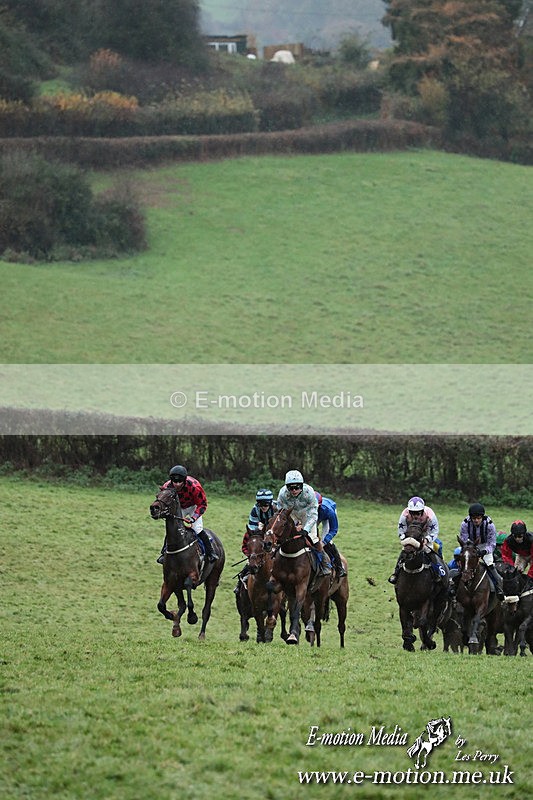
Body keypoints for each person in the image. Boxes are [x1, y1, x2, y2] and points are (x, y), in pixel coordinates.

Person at [157, 464, 217, 564]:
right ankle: (164, 553)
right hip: (179, 507)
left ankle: (211, 552)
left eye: (179, 481)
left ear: (184, 480)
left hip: (193, 506)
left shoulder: (195, 486)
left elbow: (202, 504)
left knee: (197, 529)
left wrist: (194, 518)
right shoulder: (167, 487)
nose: (176, 484)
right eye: (174, 481)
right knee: (172, 528)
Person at [276, 469, 331, 574]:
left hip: (307, 515)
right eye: (290, 488)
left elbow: (314, 513)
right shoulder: (283, 493)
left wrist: (306, 529)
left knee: (314, 538)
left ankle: (324, 564)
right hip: (291, 515)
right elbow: (281, 511)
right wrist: (293, 523)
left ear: (301, 485)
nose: (294, 490)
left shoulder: (309, 492)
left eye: (297, 487)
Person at [389, 496, 445, 586]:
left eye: (418, 513)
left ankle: (438, 572)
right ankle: (396, 573)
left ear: (422, 511)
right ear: (409, 512)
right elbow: (401, 531)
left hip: (426, 534)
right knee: (404, 552)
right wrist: (406, 540)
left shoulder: (430, 515)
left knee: (430, 551)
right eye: (413, 513)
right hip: (411, 536)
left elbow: (434, 531)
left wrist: (427, 540)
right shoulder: (404, 515)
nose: (415, 516)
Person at [456, 502, 504, 600]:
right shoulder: (465, 524)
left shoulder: (490, 525)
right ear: (470, 518)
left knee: (489, 563)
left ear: (482, 517)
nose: (476, 520)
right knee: (464, 561)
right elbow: (464, 541)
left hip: (485, 545)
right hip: (470, 545)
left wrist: (484, 551)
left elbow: (492, 543)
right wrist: (470, 549)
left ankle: (499, 586)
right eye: (474, 518)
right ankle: (454, 585)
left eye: (478, 518)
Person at [234, 489, 277, 594]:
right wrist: (252, 554)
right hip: (262, 528)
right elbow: (252, 532)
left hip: (276, 528)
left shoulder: (277, 508)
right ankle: (241, 582)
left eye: (266, 504)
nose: (263, 507)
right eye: (260, 504)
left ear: (270, 503)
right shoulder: (255, 510)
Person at [315, 491, 347, 577]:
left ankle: (340, 567)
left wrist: (324, 542)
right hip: (316, 515)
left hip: (326, 514)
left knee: (326, 540)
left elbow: (333, 529)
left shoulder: (328, 511)